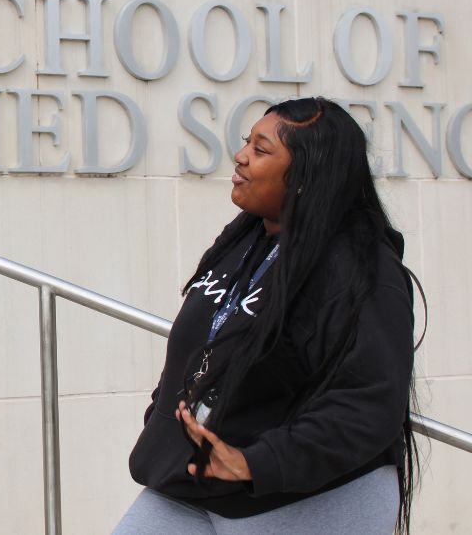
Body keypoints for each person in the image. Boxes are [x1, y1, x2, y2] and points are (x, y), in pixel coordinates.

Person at [113, 97, 422, 535]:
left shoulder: (360, 268)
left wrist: (256, 462)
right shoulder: (246, 238)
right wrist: (164, 416)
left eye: (261, 150)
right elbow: (204, 341)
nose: (240, 157)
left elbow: (369, 401)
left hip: (303, 495)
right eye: (247, 143)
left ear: (304, 177)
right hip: (192, 480)